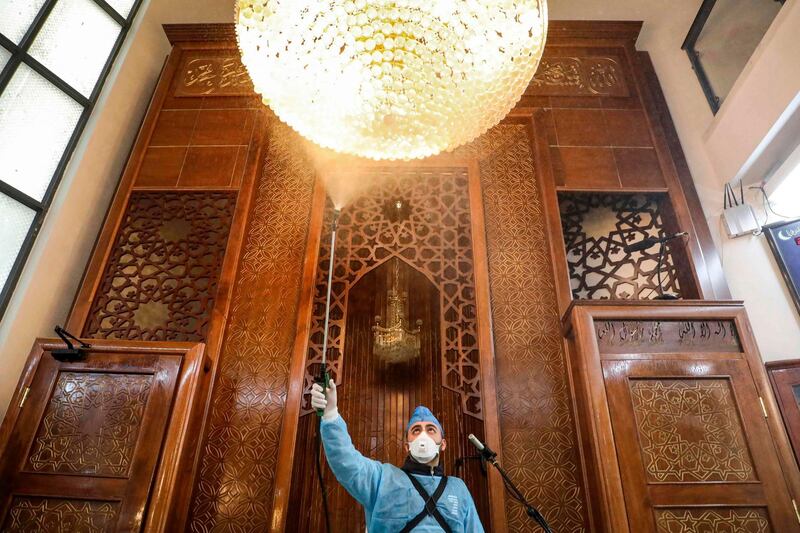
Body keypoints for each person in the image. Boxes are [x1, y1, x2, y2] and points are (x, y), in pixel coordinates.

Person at [311, 379, 485, 532]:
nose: (423, 436)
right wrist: (330, 414)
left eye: (430, 430)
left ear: (443, 444)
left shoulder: (458, 488)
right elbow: (346, 461)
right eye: (416, 430)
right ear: (407, 446)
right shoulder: (382, 479)